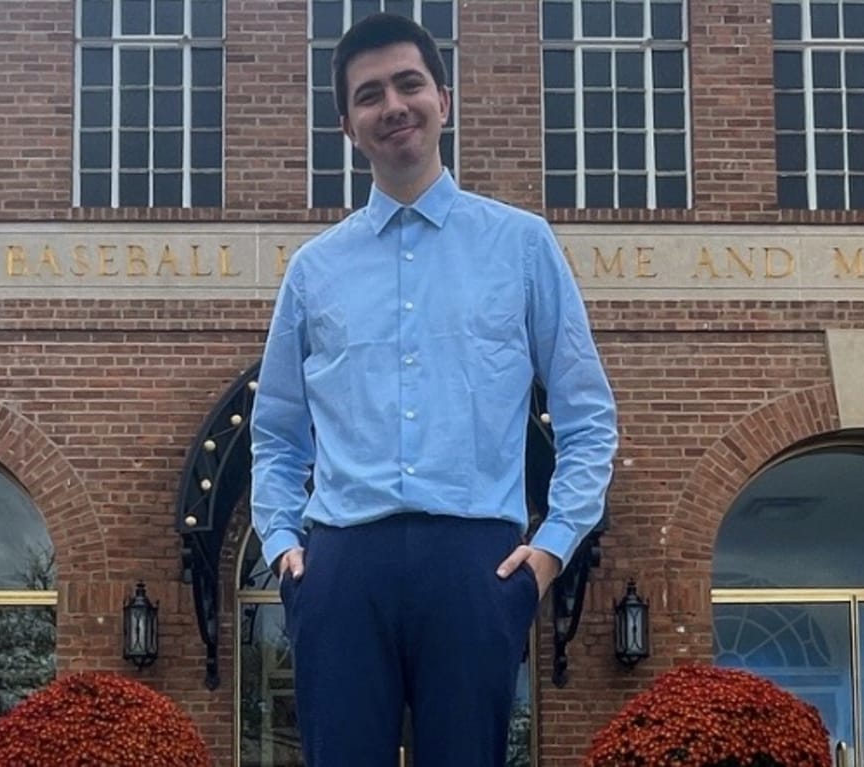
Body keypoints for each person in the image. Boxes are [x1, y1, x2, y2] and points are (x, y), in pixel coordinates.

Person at [250, 12, 617, 767]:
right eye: (369, 94)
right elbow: (276, 433)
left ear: (443, 99)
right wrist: (285, 546)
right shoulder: (313, 271)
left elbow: (587, 417)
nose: (393, 105)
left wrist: (548, 554)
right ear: (347, 126)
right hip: (343, 568)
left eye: (409, 83)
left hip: (477, 564)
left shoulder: (521, 246)